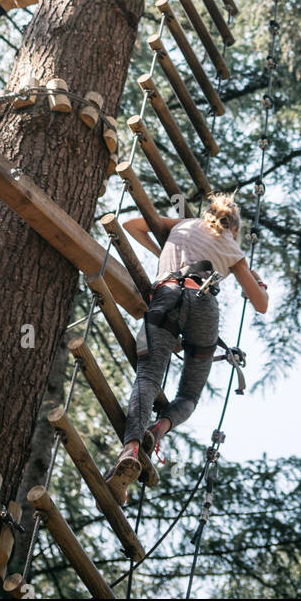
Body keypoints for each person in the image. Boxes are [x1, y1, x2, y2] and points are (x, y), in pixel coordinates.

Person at [106, 193, 269, 506]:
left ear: (208, 214)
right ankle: (160, 427)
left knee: (148, 377)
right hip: (203, 304)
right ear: (233, 229)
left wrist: (164, 254)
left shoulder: (183, 224)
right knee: (189, 395)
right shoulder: (233, 249)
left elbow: (132, 225)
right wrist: (259, 284)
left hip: (166, 294)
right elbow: (260, 305)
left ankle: (130, 448)